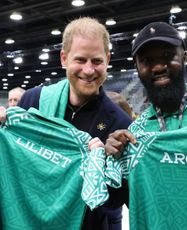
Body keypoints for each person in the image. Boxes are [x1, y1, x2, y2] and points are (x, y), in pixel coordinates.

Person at [4, 17, 132, 230]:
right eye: (80, 60)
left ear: (108, 59)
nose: (89, 70)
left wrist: (108, 167)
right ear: (64, 58)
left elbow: (120, 201)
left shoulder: (120, 123)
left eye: (97, 61)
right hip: (27, 220)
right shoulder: (33, 101)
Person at [105, 22, 187, 229]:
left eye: (168, 56)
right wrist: (115, 159)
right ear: (137, 67)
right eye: (147, 61)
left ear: (184, 57)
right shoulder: (137, 134)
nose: (158, 67)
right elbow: (129, 201)